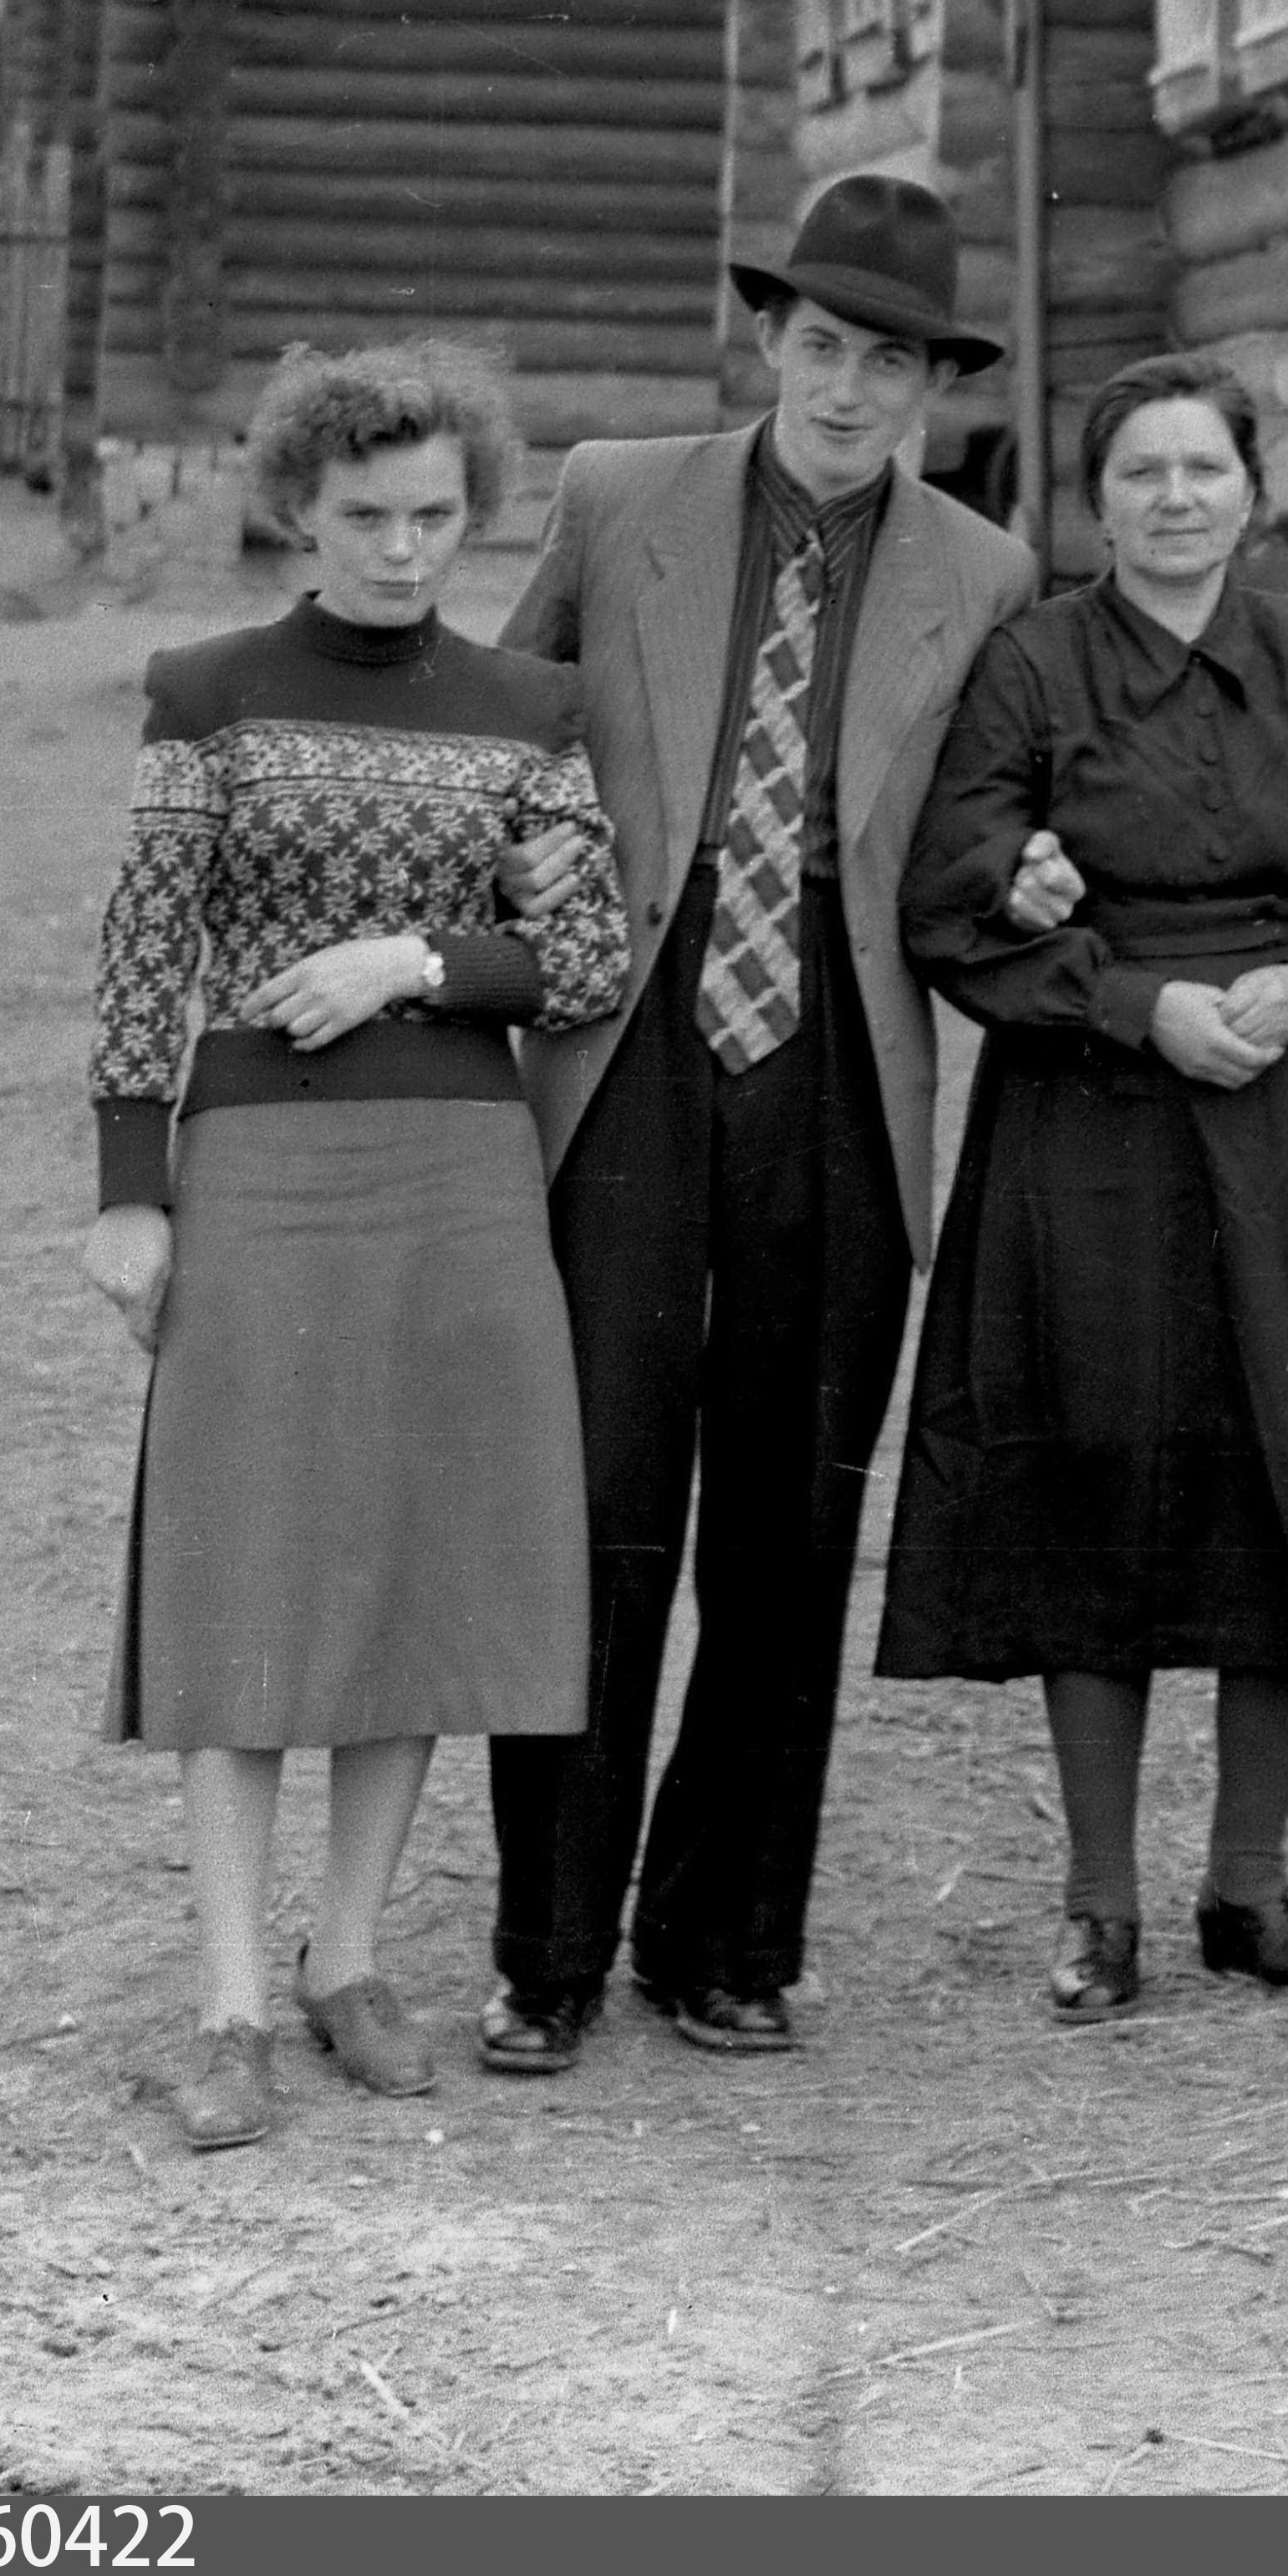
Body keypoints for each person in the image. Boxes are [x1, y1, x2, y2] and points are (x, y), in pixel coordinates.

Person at [480, 172, 1037, 2072]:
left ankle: (724, 1933)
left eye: (889, 360)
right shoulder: (616, 493)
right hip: (633, 1036)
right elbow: (503, 727)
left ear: (934, 385)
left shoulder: (983, 571)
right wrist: (536, 884)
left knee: (791, 1519)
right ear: (766, 340)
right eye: (820, 344)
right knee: (599, 1499)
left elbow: (985, 822)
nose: (848, 387)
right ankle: (548, 1944)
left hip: (839, 1054)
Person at [83, 338, 633, 2151]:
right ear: (297, 512)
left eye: (434, 516)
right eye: (365, 517)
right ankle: (233, 2001)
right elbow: (147, 952)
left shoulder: (528, 705)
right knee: (252, 1574)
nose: (403, 550)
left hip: (461, 1178)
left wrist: (415, 961)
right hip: (262, 1175)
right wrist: (129, 1187)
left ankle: (347, 1959)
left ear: (473, 510)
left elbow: (592, 952)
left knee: (406, 1567)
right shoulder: (208, 692)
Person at [881, 359, 1288, 2020]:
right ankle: (1101, 1900)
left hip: (1286, 1099)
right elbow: (954, 899)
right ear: (1095, 499)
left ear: (1251, 490)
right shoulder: (1033, 664)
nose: (1178, 497)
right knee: (1102, 1467)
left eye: (1206, 468)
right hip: (1092, 1107)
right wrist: (1138, 1005)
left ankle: (1253, 1884)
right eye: (1143, 472)